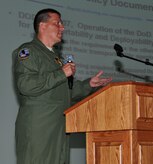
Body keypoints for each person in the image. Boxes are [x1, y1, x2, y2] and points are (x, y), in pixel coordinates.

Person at [12, 8, 112, 164]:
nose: (63, 27)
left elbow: (64, 92)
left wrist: (89, 84)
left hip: (59, 127)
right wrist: (61, 74)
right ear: (43, 26)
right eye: (57, 23)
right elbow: (26, 85)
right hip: (40, 128)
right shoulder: (28, 51)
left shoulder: (55, 57)